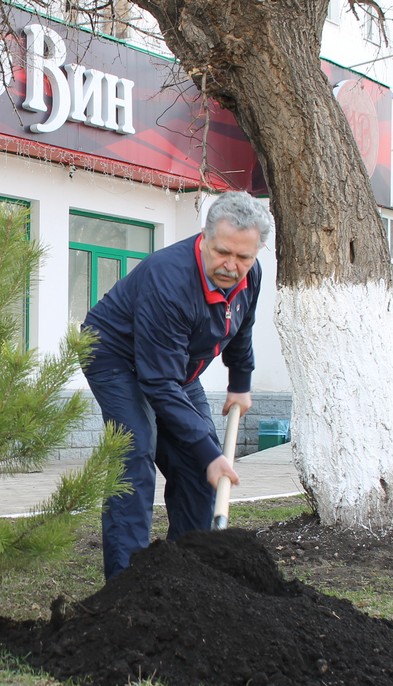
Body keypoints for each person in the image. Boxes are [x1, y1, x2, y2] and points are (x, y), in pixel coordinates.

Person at [81, 191, 271, 580]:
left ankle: (188, 577)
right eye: (222, 252)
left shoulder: (250, 276)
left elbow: (242, 328)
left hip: (174, 367)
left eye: (243, 257)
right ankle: (125, 584)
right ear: (204, 236)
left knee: (199, 467)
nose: (231, 266)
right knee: (135, 453)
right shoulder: (168, 279)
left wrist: (240, 382)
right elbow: (157, 383)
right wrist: (209, 452)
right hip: (115, 355)